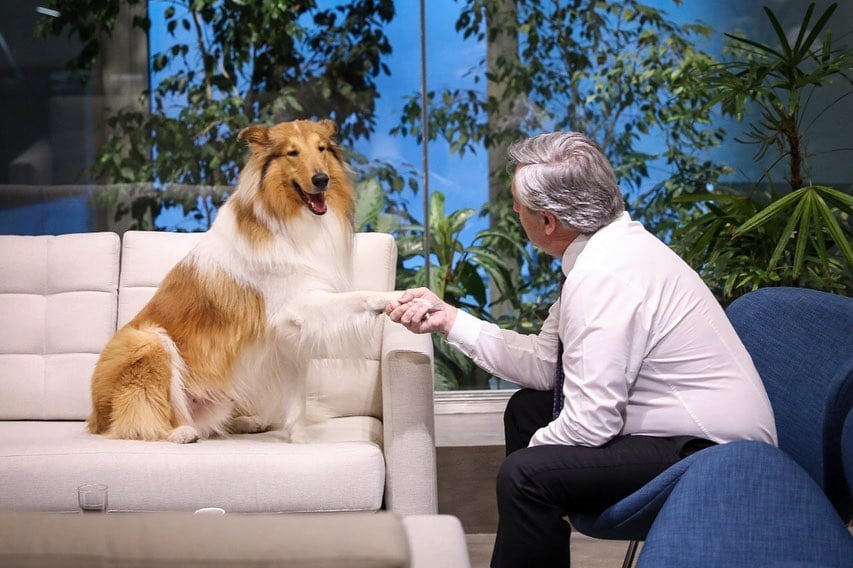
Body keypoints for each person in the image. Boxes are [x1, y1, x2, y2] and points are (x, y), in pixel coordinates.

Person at [385, 131, 777, 568]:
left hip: (713, 454)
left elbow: (592, 422)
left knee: (524, 477)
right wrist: (449, 320)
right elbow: (546, 366)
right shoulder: (603, 251)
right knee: (527, 410)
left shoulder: (603, 279)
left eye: (518, 204)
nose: (514, 210)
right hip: (678, 428)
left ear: (549, 221)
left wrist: (533, 456)